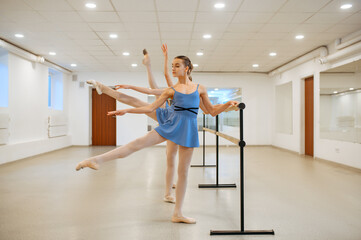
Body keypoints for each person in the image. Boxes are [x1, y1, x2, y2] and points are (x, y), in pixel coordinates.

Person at [77, 53, 239, 224]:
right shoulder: (171, 90)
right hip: (170, 123)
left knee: (183, 173)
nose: (173, 68)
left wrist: (228, 104)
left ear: (187, 68)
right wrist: (126, 111)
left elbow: (211, 111)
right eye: (172, 65)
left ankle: (178, 213)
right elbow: (150, 107)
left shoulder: (200, 88)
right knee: (137, 144)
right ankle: (96, 160)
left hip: (188, 129)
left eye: (177, 65)